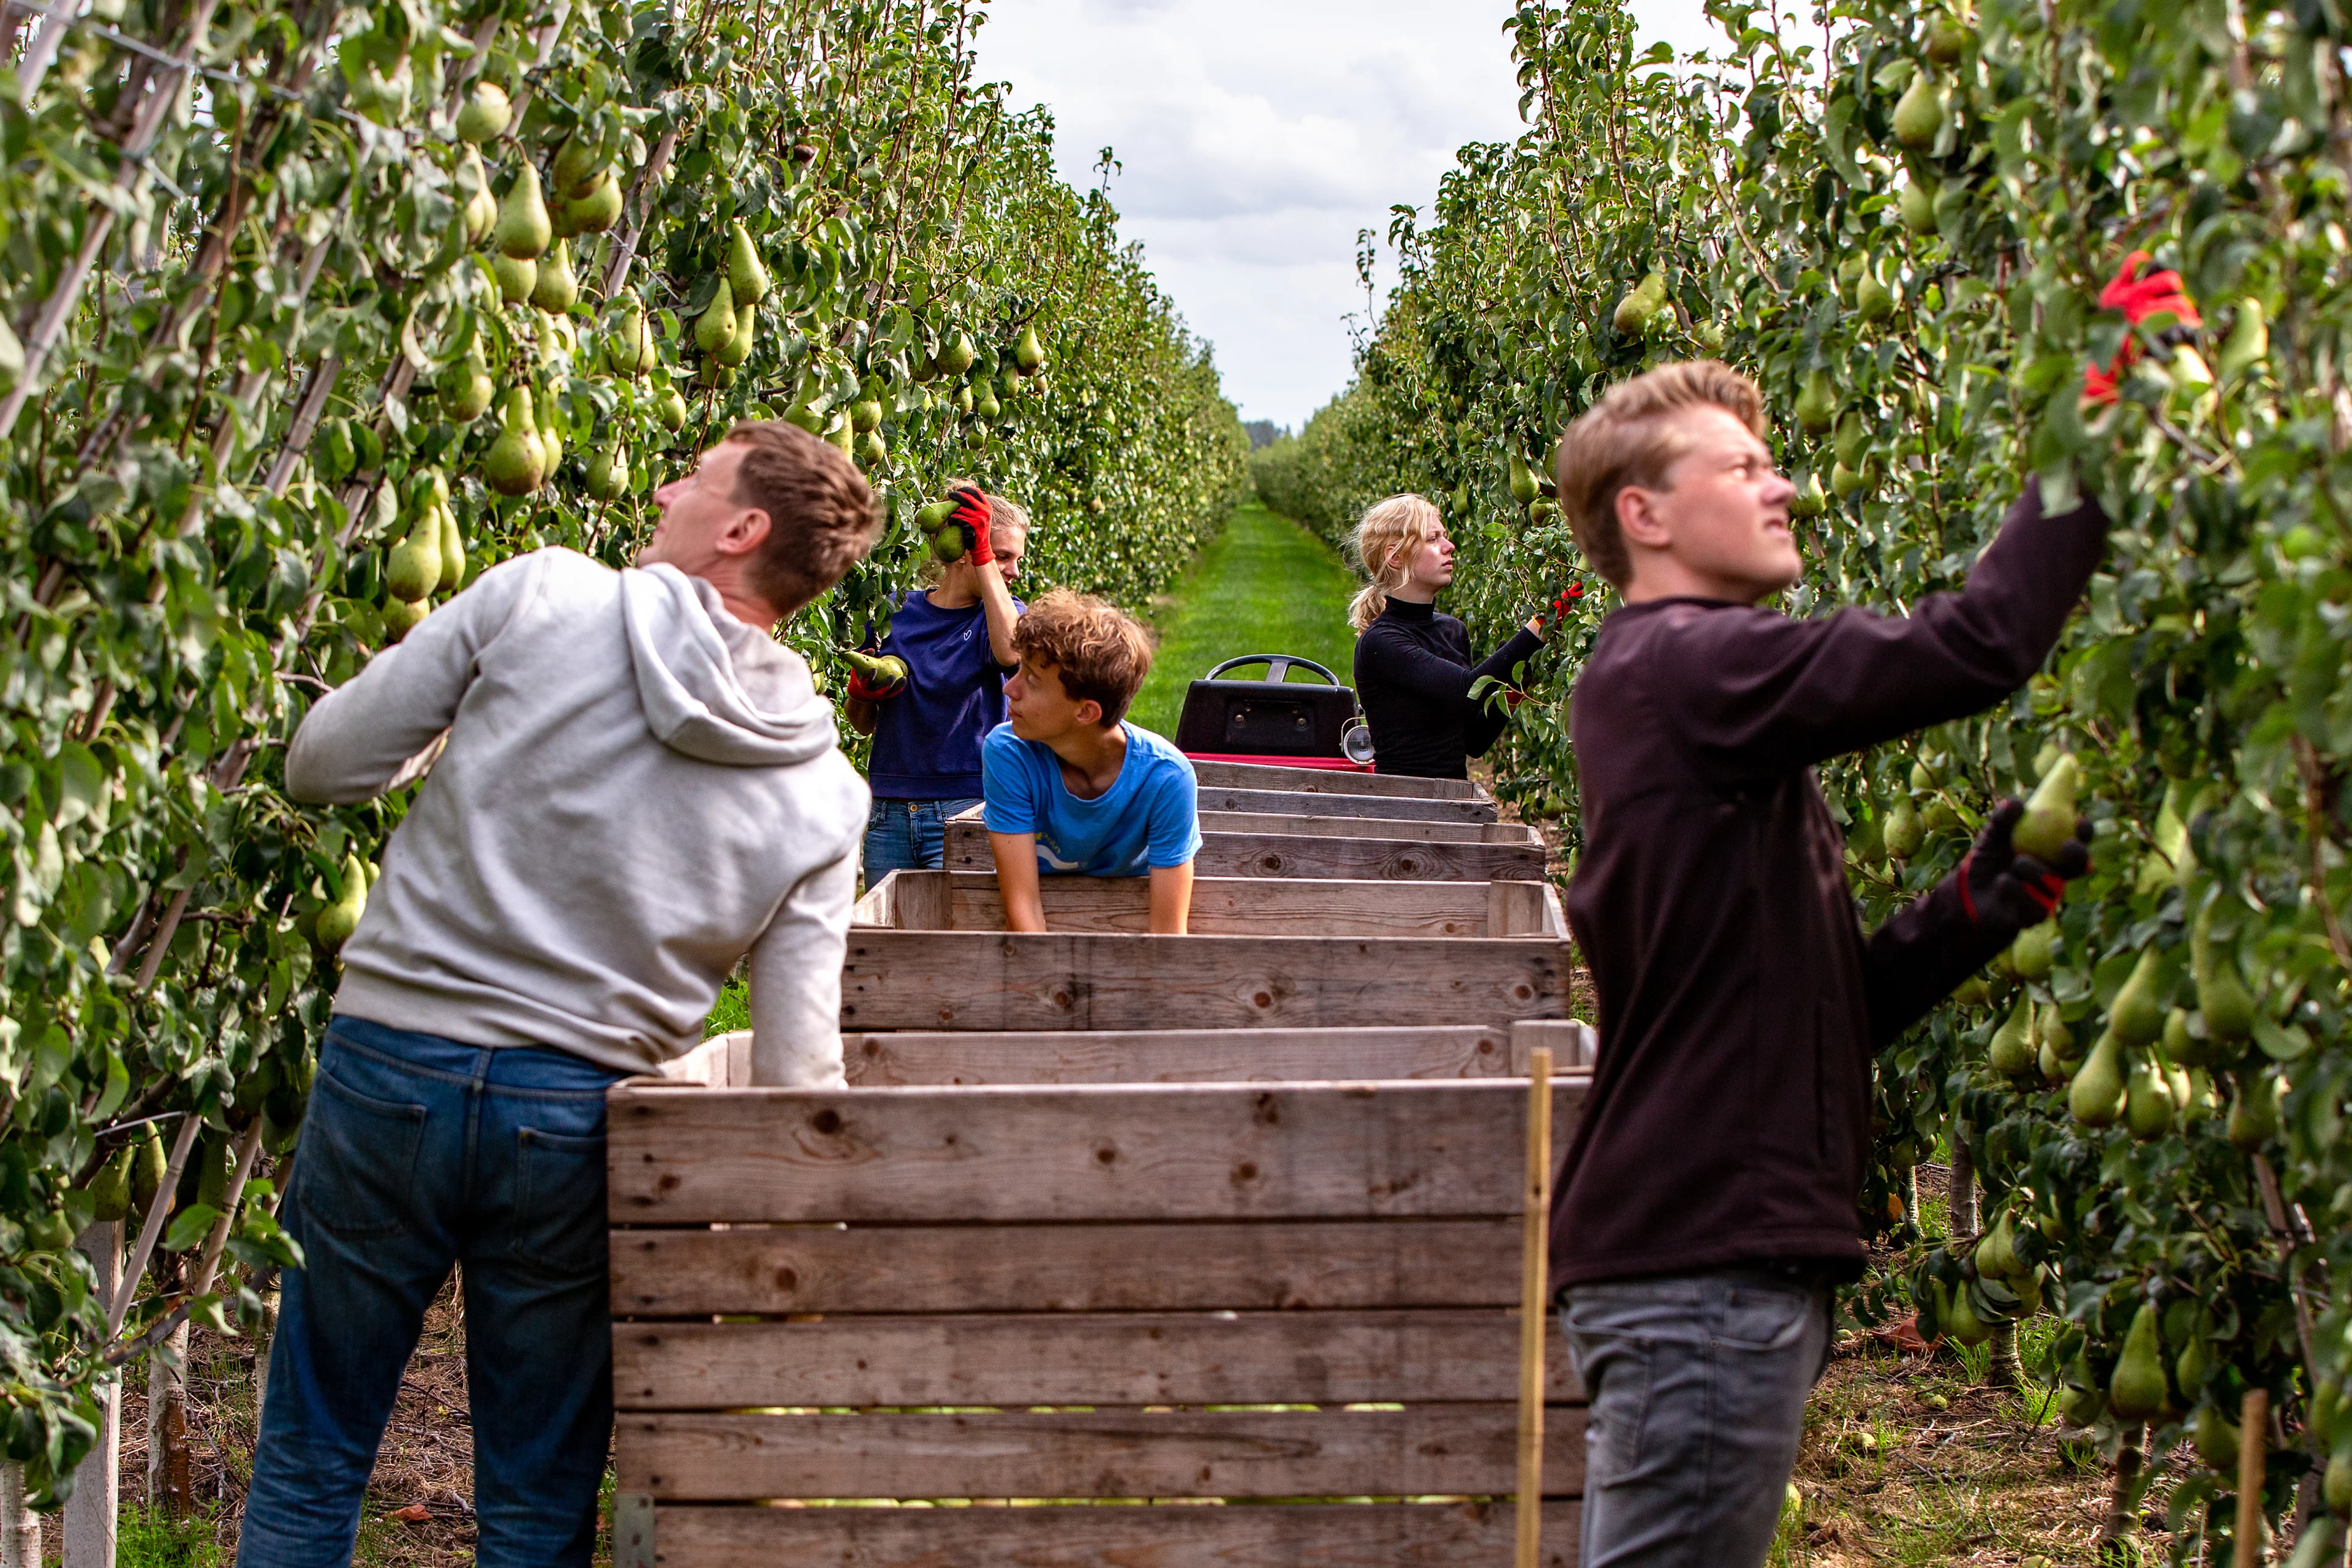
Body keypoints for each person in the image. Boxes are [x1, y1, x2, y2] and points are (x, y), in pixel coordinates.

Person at [240, 421, 881, 1568]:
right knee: (537, 1506)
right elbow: (795, 1068)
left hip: (394, 1066)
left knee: (311, 1460)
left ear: (741, 531)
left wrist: (466, 747)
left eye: (701, 476)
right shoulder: (824, 793)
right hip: (578, 1125)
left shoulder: (541, 598)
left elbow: (322, 765)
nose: (670, 483)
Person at [1545, 359, 2103, 1568]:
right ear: (1643, 514)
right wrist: (2094, 428)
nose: (1782, 486)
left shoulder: (1669, 688)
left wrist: (1972, 906)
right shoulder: (1686, 663)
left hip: (1699, 1257)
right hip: (1701, 1264)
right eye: (1742, 467)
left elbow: (1796, 1010)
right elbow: (1982, 642)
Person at [982, 589, 1200, 933]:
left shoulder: (1166, 779)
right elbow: (1023, 907)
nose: (1010, 688)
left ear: (1086, 712)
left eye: (1032, 681)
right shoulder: (1008, 752)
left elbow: (1167, 934)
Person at [844, 483, 1028, 878]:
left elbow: (1011, 653)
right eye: (1003, 557)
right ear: (962, 553)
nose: (1013, 571)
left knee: (957, 935)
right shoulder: (893, 612)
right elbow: (863, 724)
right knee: (887, 936)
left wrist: (985, 558)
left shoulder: (1000, 617)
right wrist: (860, 695)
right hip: (889, 810)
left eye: (1016, 559)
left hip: (967, 806)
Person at [1348, 492, 1575, 779]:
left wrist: (1519, 678)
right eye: (1433, 539)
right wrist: (1540, 626)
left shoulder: (1452, 631)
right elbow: (1467, 691)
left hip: (1454, 802)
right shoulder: (1381, 642)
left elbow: (1475, 740)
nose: (1449, 546)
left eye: (1444, 536)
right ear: (1395, 557)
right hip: (1403, 805)